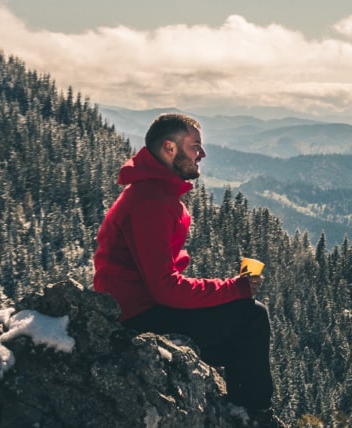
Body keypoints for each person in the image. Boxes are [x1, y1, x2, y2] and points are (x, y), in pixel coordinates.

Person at [91, 113, 278, 423]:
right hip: (139, 317)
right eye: (195, 147)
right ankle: (256, 415)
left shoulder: (152, 192)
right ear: (169, 148)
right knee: (252, 316)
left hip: (136, 309)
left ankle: (240, 409)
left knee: (239, 333)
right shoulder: (152, 201)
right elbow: (165, 288)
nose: (201, 155)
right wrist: (234, 288)